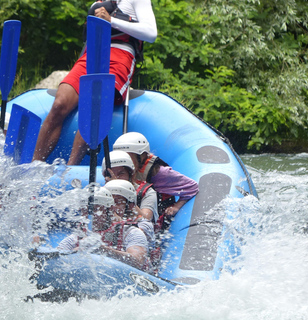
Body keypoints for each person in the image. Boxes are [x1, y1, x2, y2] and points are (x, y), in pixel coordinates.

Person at [32, 0, 158, 164]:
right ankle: (34, 165)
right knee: (59, 104)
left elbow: (151, 33)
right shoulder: (98, 2)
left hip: (120, 56)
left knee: (94, 106)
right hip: (91, 55)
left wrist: (112, 21)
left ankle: (71, 169)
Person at [57, 183, 149, 269]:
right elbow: (56, 255)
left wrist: (103, 250)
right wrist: (75, 252)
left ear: (109, 210)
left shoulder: (130, 232)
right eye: (86, 210)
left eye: (96, 209)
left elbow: (138, 261)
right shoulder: (78, 236)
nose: (91, 215)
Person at [112, 132, 199, 219]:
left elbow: (192, 187)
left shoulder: (159, 173)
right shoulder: (118, 172)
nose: (123, 161)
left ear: (142, 156)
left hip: (152, 215)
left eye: (127, 157)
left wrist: (176, 206)